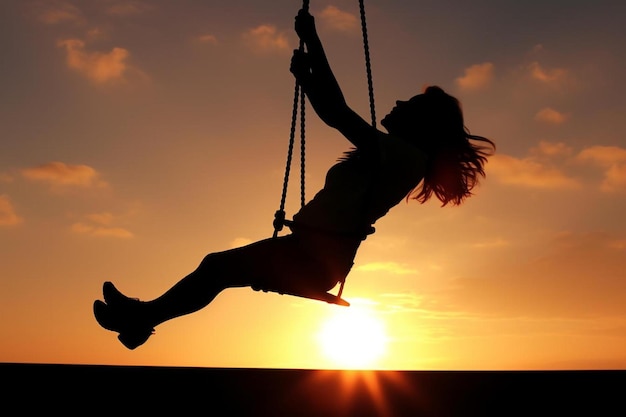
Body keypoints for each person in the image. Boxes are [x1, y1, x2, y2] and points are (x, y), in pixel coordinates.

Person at [93, 8, 495, 350]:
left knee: (214, 269)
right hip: (309, 252)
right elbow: (333, 110)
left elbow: (337, 112)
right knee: (214, 270)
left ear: (421, 122)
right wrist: (309, 75)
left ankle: (140, 320)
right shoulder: (397, 155)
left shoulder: (405, 156)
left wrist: (314, 44)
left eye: (410, 104)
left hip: (312, 259)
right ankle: (138, 320)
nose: (398, 102)